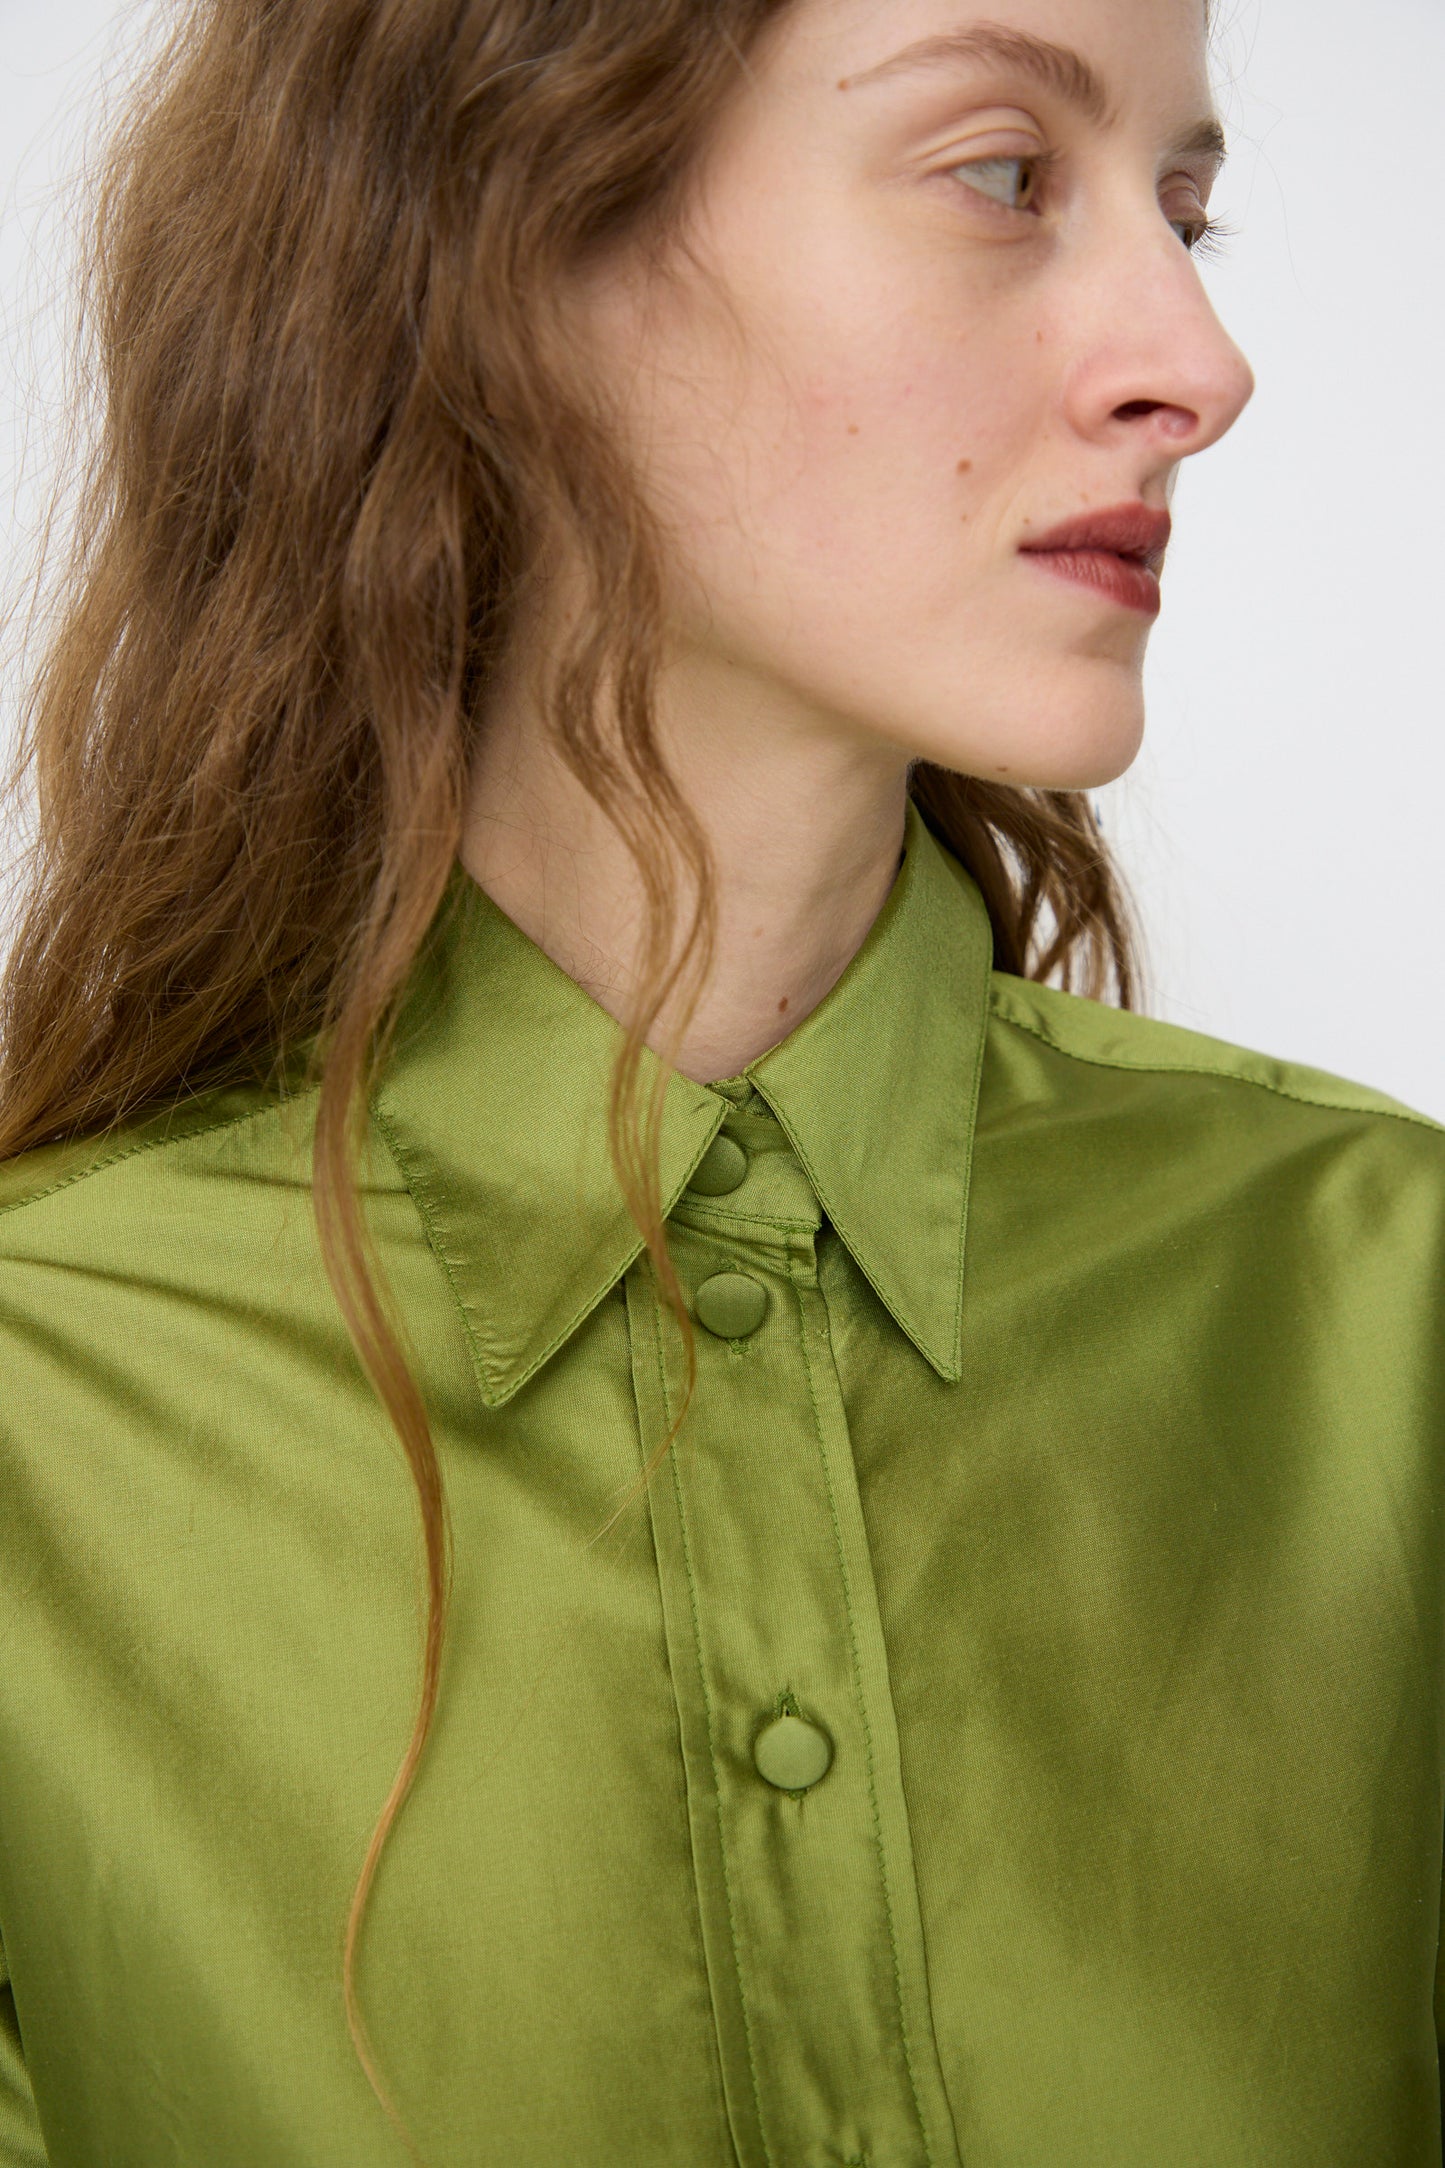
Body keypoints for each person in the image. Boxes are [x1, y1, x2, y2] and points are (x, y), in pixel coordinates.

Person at [0, 0, 1440, 2161]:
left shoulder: (1396, 1321)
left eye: (1188, 209)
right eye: (1005, 176)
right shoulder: (43, 1428)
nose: (1197, 367)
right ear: (504, 243)